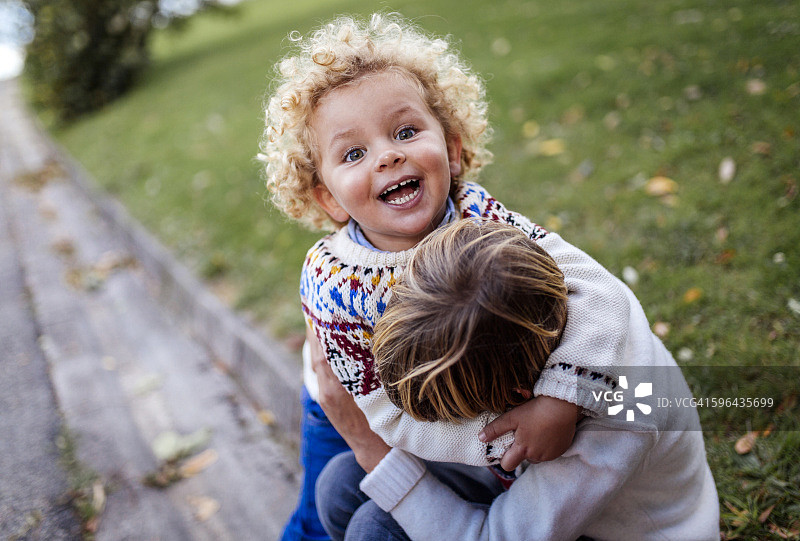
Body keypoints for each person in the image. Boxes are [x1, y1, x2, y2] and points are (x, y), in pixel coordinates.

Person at [258, 13, 631, 540]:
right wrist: (502, 443)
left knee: (369, 518)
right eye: (354, 153)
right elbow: (378, 414)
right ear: (327, 197)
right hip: (356, 404)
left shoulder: (479, 214)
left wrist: (562, 396)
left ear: (453, 150)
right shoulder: (332, 282)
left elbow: (595, 289)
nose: (388, 155)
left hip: (466, 419)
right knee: (326, 502)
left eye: (406, 131)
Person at [315, 219, 720, 541]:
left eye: (458, 415)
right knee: (340, 486)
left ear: (516, 397)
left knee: (374, 529)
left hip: (613, 531)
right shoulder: (540, 292)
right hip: (541, 497)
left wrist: (371, 448)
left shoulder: (619, 422)